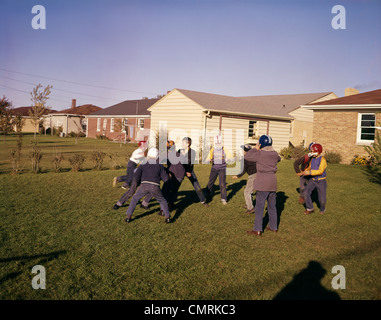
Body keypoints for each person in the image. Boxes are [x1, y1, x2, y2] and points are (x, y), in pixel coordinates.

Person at [245, 135, 281, 236]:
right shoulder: (275, 154)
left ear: (261, 143)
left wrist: (255, 148)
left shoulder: (260, 153)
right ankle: (274, 227)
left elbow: (247, 156)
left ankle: (257, 229)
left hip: (263, 182)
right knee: (272, 207)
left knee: (259, 207)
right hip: (272, 182)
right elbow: (278, 159)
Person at [125, 148, 171, 224]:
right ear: (157, 156)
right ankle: (167, 217)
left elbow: (136, 176)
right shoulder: (160, 166)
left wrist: (138, 182)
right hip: (155, 186)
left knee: (135, 199)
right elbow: (165, 179)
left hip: (143, 185)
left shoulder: (143, 164)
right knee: (162, 200)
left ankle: (128, 217)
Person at [179, 137, 208, 207]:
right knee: (176, 186)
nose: (182, 144)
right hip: (181, 170)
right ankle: (171, 202)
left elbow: (191, 163)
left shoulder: (192, 152)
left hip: (189, 170)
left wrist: (188, 171)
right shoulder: (180, 151)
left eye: (183, 142)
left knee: (197, 186)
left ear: (188, 144)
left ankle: (203, 201)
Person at [205, 135, 234, 205]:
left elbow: (231, 158)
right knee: (210, 182)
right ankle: (207, 195)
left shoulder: (225, 149)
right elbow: (208, 159)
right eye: (217, 143)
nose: (218, 145)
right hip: (214, 168)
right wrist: (208, 160)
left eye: (219, 143)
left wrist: (228, 159)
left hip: (222, 169)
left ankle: (224, 198)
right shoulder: (212, 150)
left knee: (222, 184)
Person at [301, 143, 327, 215]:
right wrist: (305, 171)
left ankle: (322, 209)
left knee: (321, 199)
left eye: (312, 151)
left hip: (321, 181)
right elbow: (310, 167)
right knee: (306, 192)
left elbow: (320, 171)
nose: (311, 153)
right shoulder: (312, 159)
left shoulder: (322, 160)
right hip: (312, 180)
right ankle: (310, 208)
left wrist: (309, 173)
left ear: (318, 151)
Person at [232, 144, 257, 213]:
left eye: (243, 150)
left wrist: (237, 176)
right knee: (250, 191)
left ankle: (250, 208)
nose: (242, 151)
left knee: (246, 192)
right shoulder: (254, 156)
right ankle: (249, 203)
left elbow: (243, 170)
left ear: (246, 151)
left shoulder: (246, 158)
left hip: (253, 176)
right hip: (258, 175)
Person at [162, 140, 186, 210]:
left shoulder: (166, 154)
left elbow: (158, 163)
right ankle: (171, 204)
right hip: (181, 174)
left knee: (165, 190)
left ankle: (164, 207)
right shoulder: (179, 155)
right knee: (174, 190)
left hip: (173, 175)